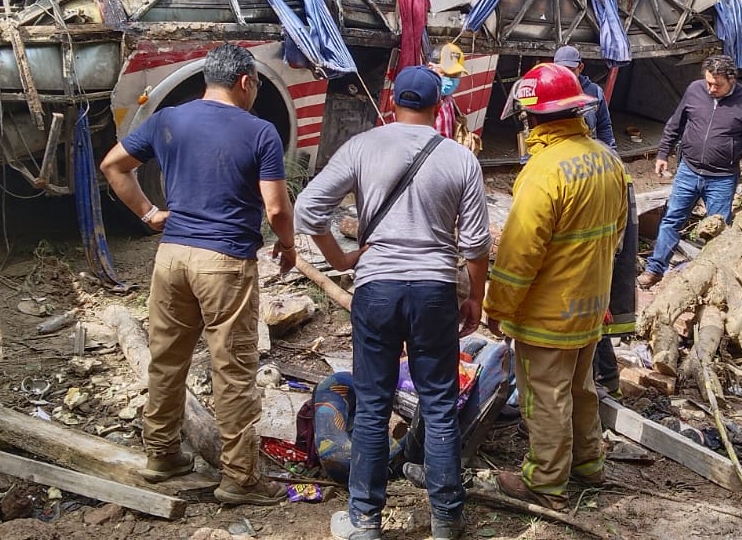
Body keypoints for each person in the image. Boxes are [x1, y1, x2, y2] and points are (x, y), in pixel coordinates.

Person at [294, 65, 492, 540]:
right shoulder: (459, 158)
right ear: (438, 107)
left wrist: (340, 257)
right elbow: (477, 245)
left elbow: (307, 209)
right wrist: (476, 298)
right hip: (434, 290)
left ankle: (364, 522)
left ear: (392, 104)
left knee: (374, 402)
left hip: (376, 289)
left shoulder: (363, 146)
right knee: (440, 404)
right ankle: (446, 520)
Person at [99, 43, 296, 506]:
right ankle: (240, 478)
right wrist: (287, 245)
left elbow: (113, 165)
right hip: (224, 262)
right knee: (233, 368)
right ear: (245, 82)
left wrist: (149, 214)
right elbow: (275, 207)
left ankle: (161, 454)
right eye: (256, 86)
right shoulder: (261, 131)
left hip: (172, 258)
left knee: (167, 359)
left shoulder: (168, 119)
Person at [485, 63, 628, 512]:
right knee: (582, 390)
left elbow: (518, 254)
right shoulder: (608, 159)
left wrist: (497, 305)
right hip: (590, 306)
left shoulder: (544, 171)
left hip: (548, 312)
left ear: (532, 117)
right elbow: (619, 234)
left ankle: (546, 483)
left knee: (546, 397)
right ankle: (589, 466)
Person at [639, 54, 742, 288]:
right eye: (709, 82)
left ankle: (714, 281)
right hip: (688, 171)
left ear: (732, 79)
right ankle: (655, 269)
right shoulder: (695, 90)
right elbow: (675, 123)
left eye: (717, 85)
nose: (711, 88)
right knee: (671, 221)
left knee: (717, 231)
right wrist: (662, 154)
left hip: (722, 178)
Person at [550, 46, 635, 396]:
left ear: (581, 67)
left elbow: (606, 135)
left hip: (588, 244)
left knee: (591, 310)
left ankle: (602, 379)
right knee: (591, 309)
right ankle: (602, 378)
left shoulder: (594, 95)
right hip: (590, 239)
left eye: (570, 69)